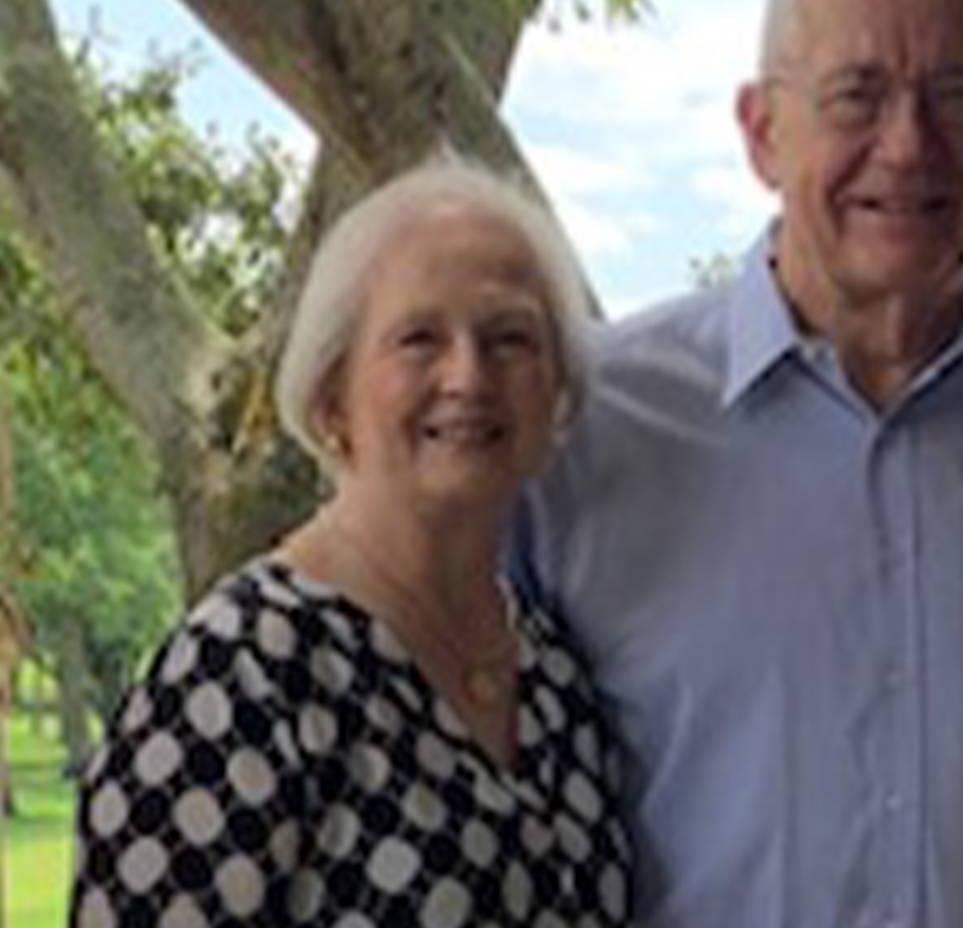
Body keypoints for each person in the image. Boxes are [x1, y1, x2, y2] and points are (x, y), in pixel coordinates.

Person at [519, 0, 963, 928]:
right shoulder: (577, 428)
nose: (906, 148)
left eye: (955, 97)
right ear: (763, 131)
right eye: (857, 95)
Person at [70, 160, 633, 926]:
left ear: (557, 396)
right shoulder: (240, 677)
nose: (468, 375)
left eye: (509, 339)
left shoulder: (554, 675)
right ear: (332, 398)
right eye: (419, 338)